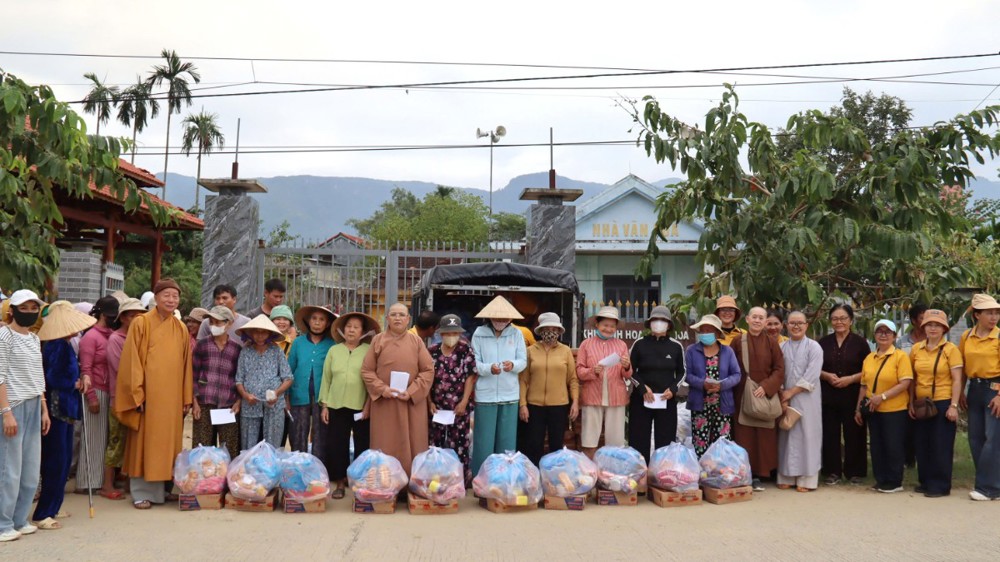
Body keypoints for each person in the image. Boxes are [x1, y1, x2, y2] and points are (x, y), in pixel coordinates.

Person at [116, 279, 194, 509]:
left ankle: (162, 490)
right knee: (145, 443)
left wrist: (186, 396)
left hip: (171, 399)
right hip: (149, 397)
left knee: (168, 444)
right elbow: (133, 362)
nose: (171, 300)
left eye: (175, 296)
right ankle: (141, 493)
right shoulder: (141, 323)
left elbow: (186, 365)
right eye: (166, 295)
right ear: (156, 298)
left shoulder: (180, 328)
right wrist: (137, 394)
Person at [33, 301, 96, 528]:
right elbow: (52, 378)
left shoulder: (65, 345)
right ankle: (44, 513)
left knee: (63, 459)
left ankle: (54, 506)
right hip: (57, 407)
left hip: (66, 406)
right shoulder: (56, 346)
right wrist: (75, 382)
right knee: (56, 460)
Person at [0, 290, 51, 542]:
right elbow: (0, 375)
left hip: (33, 403)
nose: (30, 312)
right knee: (9, 468)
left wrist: (43, 407)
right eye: (25, 307)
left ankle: (20, 519)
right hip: (13, 405)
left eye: (34, 308)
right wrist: (6, 412)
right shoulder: (4, 335)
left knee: (31, 469)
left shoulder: (33, 338)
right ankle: (3, 523)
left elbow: (37, 375)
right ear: (12, 310)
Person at [361, 303, 435, 476]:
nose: (397, 318)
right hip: (385, 403)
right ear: (387, 318)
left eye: (402, 315)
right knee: (385, 443)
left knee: (413, 442)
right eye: (393, 314)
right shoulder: (377, 340)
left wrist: (412, 391)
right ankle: (386, 483)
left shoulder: (416, 341)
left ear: (408, 319)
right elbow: (367, 370)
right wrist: (382, 388)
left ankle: (411, 483)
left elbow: (428, 370)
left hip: (410, 403)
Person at [320, 311, 378, 498]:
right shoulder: (333, 351)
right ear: (343, 329)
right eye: (348, 326)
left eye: (356, 327)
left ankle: (360, 481)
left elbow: (372, 380)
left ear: (363, 331)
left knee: (363, 444)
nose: (352, 330)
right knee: (337, 444)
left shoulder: (368, 351)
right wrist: (325, 405)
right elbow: (326, 379)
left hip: (360, 405)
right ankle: (339, 482)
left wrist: (369, 404)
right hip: (336, 405)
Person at [469, 296, 527, 474]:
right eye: (497, 318)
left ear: (510, 319)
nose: (501, 322)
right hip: (485, 395)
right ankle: (481, 477)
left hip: (510, 395)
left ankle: (504, 477)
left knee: (507, 440)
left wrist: (513, 365)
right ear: (490, 318)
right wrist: (488, 369)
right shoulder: (479, 334)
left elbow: (523, 361)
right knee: (483, 440)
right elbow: (475, 363)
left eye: (504, 319)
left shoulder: (517, 334)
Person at [908, 309, 963, 498]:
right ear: (923, 327)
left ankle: (940, 485)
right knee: (922, 444)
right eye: (929, 324)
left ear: (944, 329)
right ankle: (925, 481)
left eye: (937, 325)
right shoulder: (916, 349)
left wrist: (953, 406)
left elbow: (957, 380)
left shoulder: (951, 350)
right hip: (922, 402)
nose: (933, 328)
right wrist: (911, 403)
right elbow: (912, 379)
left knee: (941, 444)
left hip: (942, 402)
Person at [854, 319, 912, 493]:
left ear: (894, 336)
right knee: (877, 445)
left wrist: (883, 396)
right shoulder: (869, 358)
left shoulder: (900, 356)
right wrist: (858, 408)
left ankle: (894, 481)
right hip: (873, 409)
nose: (883, 335)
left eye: (888, 332)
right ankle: (881, 479)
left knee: (893, 445)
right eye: (880, 331)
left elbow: (905, 382)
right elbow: (864, 385)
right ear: (874, 335)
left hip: (894, 409)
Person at [731, 306, 786, 491]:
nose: (757, 321)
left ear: (765, 322)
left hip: (765, 395)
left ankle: (762, 473)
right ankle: (746, 473)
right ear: (747, 319)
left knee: (764, 437)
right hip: (742, 396)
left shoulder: (771, 343)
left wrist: (766, 386)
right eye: (754, 317)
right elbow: (731, 368)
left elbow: (779, 369)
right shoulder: (738, 341)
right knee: (744, 436)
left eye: (761, 318)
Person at [818, 304, 870, 486]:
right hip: (828, 395)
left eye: (843, 318)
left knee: (854, 431)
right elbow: (814, 368)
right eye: (835, 319)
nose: (839, 322)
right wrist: (826, 375)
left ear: (851, 320)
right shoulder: (823, 342)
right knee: (830, 433)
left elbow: (869, 370)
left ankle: (855, 472)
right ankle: (832, 471)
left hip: (853, 394)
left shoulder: (860, 343)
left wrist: (851, 379)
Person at [519, 312, 578, 467]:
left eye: (554, 328)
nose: (550, 331)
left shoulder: (565, 351)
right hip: (534, 406)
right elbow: (524, 380)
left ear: (559, 331)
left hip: (559, 405)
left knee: (556, 446)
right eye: (547, 328)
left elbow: (572, 379)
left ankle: (553, 478)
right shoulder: (531, 351)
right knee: (533, 445)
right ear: (540, 330)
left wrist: (575, 402)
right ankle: (534, 479)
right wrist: (523, 404)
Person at [628, 305, 685, 465]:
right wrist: (641, 387)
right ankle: (640, 478)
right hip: (642, 400)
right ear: (650, 323)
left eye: (662, 320)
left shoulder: (676, 346)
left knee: (665, 442)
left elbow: (682, 372)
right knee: (638, 440)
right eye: (655, 320)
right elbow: (630, 370)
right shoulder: (639, 344)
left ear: (668, 324)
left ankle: (661, 478)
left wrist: (673, 389)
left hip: (666, 401)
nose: (658, 323)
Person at [76, 296, 119, 497]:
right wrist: (91, 396)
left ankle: (100, 479)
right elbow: (86, 368)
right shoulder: (90, 337)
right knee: (93, 437)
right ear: (102, 314)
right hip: (95, 389)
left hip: (110, 390)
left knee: (105, 439)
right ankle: (87, 481)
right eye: (110, 315)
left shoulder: (111, 334)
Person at [576, 306, 632, 459]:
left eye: (612, 326)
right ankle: (590, 472)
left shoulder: (621, 345)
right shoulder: (586, 344)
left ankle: (611, 473)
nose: (608, 329)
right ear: (597, 325)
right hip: (592, 395)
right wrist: (592, 371)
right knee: (589, 439)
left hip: (616, 396)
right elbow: (579, 371)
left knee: (616, 440)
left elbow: (627, 374)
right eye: (605, 325)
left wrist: (627, 365)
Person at [959, 293, 1000, 501]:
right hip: (974, 389)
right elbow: (963, 367)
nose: (994, 317)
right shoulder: (966, 337)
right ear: (977, 315)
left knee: (993, 439)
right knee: (975, 438)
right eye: (989, 313)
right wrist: (960, 393)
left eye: (996, 313)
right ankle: (988, 482)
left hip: (995, 389)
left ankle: (989, 488)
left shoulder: (999, 336)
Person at [776, 311, 823, 492]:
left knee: (808, 435)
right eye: (792, 323)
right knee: (786, 434)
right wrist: (782, 394)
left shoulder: (814, 347)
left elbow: (812, 375)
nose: (796, 326)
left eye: (800, 323)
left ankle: (807, 479)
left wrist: (791, 393)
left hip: (807, 398)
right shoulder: (781, 347)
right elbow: (778, 372)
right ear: (786, 325)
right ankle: (786, 475)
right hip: (785, 397)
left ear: (807, 325)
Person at [103, 298, 144, 500]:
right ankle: (107, 484)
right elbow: (122, 370)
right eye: (133, 314)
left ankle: (127, 481)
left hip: (138, 398)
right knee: (116, 441)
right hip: (119, 398)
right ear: (124, 318)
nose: (137, 318)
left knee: (132, 442)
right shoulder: (116, 340)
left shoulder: (139, 337)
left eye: (140, 314)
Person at [429, 314, 478, 481]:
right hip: (437, 408)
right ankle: (437, 478)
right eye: (448, 333)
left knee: (459, 444)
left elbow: (471, 377)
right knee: (436, 444)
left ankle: (459, 481)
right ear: (441, 334)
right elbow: (427, 379)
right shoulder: (432, 352)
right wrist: (430, 402)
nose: (451, 337)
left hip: (459, 408)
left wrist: (464, 402)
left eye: (454, 333)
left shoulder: (465, 350)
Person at [685, 314, 741, 457]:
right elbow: (688, 375)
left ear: (717, 333)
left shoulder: (727, 351)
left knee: (722, 442)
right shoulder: (692, 350)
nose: (705, 333)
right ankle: (702, 474)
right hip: (700, 404)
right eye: (703, 330)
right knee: (700, 441)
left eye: (709, 330)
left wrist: (721, 385)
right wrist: (702, 384)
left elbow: (736, 375)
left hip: (722, 404)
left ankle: (719, 473)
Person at [191, 306, 242, 461]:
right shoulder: (202, 345)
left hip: (228, 405)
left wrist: (239, 401)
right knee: (202, 446)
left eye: (218, 322)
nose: (214, 326)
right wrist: (194, 401)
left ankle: (226, 481)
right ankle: (202, 482)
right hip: (204, 402)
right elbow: (193, 374)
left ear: (229, 324)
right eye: (211, 322)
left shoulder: (236, 349)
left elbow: (239, 377)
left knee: (229, 447)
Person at [235, 315, 293, 449]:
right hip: (250, 406)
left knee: (272, 446)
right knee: (249, 445)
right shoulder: (245, 352)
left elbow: (288, 378)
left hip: (274, 406)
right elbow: (239, 380)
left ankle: (270, 469)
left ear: (269, 334)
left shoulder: (276, 351)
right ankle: (249, 470)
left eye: (264, 332)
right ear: (251, 333)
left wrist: (276, 393)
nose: (260, 336)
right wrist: (245, 395)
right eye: (256, 332)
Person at [287, 305, 336, 457]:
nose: (317, 322)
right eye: (314, 319)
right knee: (298, 432)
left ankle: (318, 467)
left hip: (322, 397)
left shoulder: (331, 345)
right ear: (308, 321)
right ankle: (298, 464)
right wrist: (286, 397)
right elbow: (289, 370)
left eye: (321, 320)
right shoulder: (298, 343)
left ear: (327, 323)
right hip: (299, 394)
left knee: (321, 433)